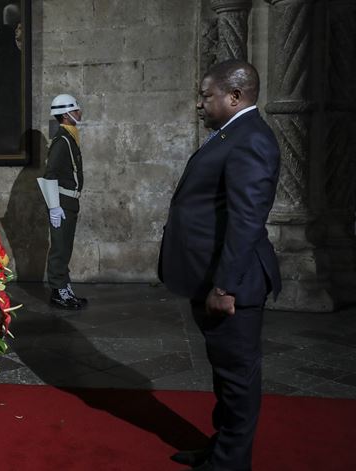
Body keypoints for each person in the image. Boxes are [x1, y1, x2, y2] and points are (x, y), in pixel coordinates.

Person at [159, 59, 281, 471]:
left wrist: (225, 286)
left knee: (238, 380)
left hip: (235, 283)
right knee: (225, 376)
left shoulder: (251, 140)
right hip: (210, 275)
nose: (200, 103)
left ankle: (230, 464)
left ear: (234, 96)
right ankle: (220, 448)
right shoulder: (231, 134)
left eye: (206, 95)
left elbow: (247, 220)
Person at [38, 94, 87, 310]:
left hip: (69, 202)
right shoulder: (62, 141)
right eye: (76, 110)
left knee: (65, 248)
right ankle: (59, 291)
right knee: (59, 248)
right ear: (67, 114)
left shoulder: (69, 137)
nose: (80, 113)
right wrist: (54, 206)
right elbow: (50, 175)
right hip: (62, 202)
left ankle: (64, 288)